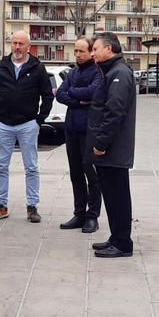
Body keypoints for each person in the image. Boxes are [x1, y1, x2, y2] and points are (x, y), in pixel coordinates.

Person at [0, 30, 53, 223]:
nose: (17, 47)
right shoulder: (1, 66)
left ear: (28, 46)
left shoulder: (37, 68)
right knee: (0, 166)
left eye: (21, 44)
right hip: (3, 125)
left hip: (27, 125)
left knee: (31, 167)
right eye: (14, 43)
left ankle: (32, 207)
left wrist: (39, 120)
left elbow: (47, 95)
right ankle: (1, 206)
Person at [87, 32, 137, 258]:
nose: (93, 53)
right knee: (112, 195)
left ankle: (122, 243)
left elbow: (114, 112)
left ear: (109, 48)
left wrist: (101, 143)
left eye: (96, 48)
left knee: (118, 196)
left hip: (113, 150)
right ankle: (116, 237)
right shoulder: (112, 71)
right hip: (110, 149)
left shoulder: (120, 73)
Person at [54, 37, 102, 233]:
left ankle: (93, 216)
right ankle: (79, 213)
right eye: (75, 51)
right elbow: (60, 94)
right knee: (75, 174)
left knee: (92, 174)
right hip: (71, 129)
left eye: (81, 51)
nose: (78, 55)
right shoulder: (73, 72)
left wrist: (73, 94)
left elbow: (93, 92)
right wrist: (77, 100)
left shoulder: (98, 72)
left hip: (89, 131)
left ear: (91, 52)